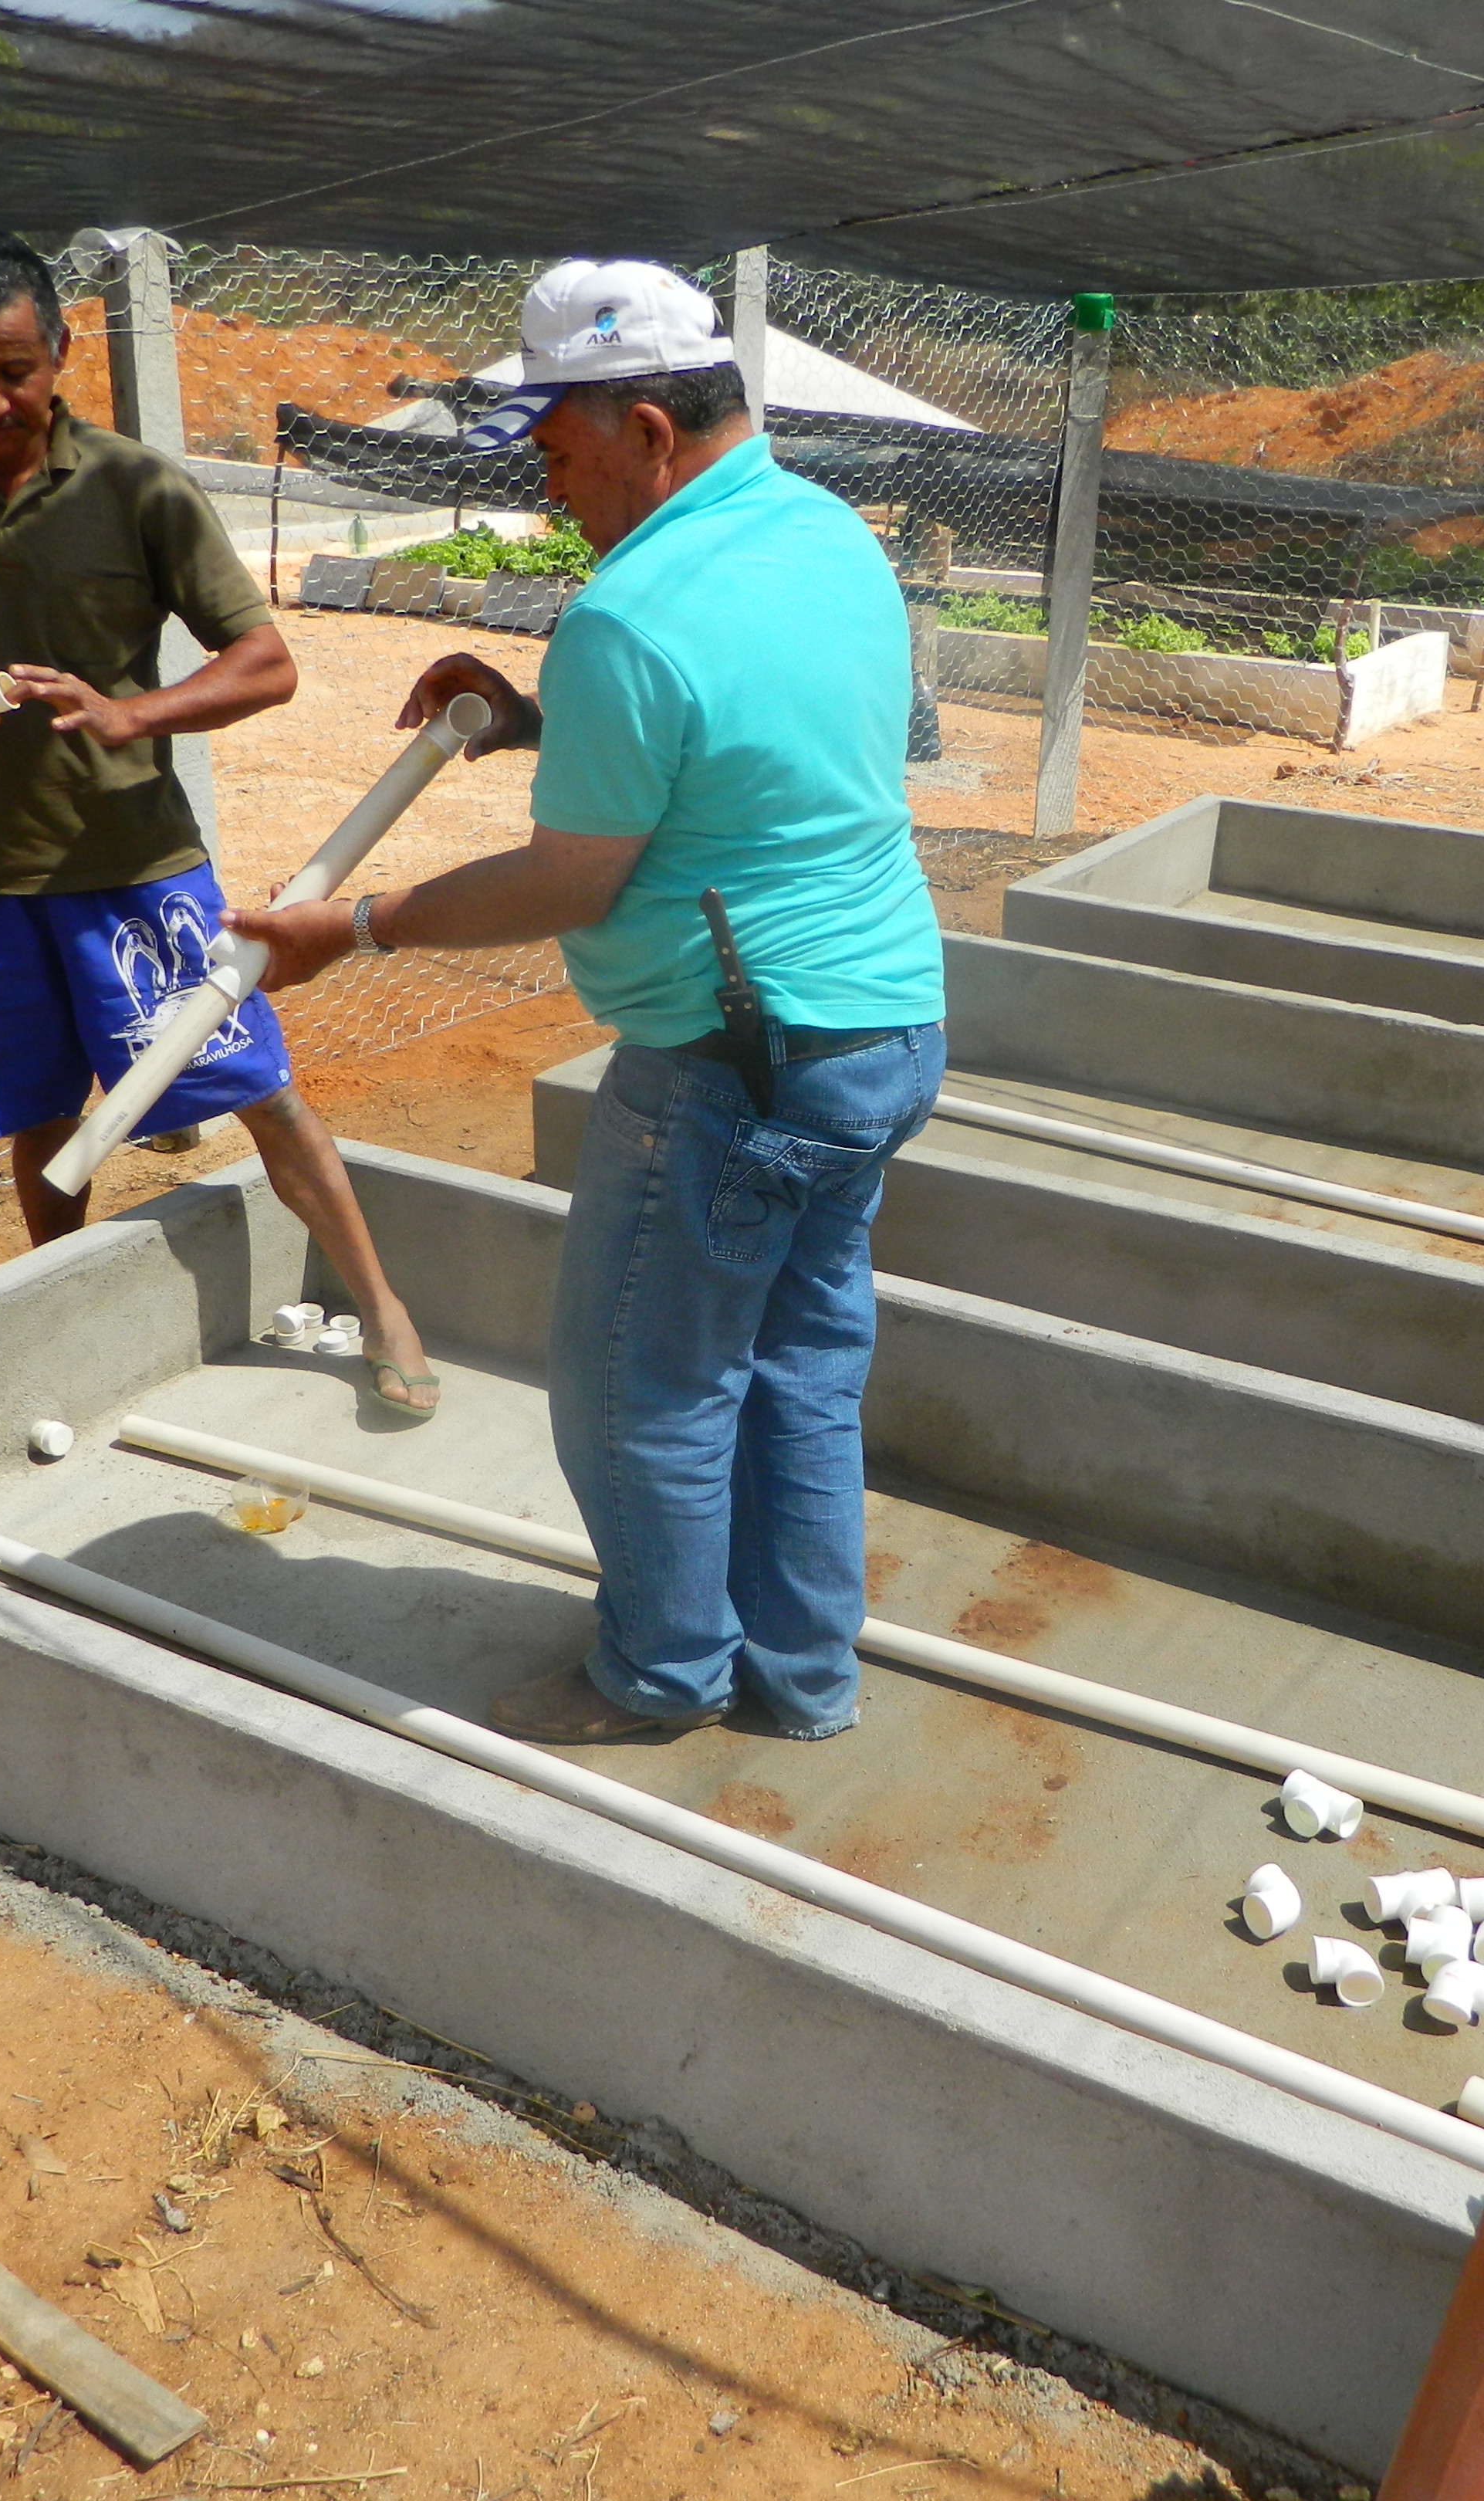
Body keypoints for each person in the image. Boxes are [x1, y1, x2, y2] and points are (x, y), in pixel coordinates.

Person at [233, 260, 946, 1742]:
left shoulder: (633, 611)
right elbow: (742, 750)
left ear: (646, 427)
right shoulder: (826, 535)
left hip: (731, 1067)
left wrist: (350, 926)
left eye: (559, 453)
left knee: (648, 1392)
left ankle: (664, 1677)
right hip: (883, 1029)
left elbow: (573, 884)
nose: (554, 488)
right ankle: (804, 1679)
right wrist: (536, 722)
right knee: (802, 1371)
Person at [0, 227, 437, 1415]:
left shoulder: (137, 486)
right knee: (39, 1118)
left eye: (14, 371)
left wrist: (131, 712)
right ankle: (64, 1318)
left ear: (63, 347)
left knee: (255, 1082)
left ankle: (381, 1303)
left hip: (141, 874)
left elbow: (265, 664)